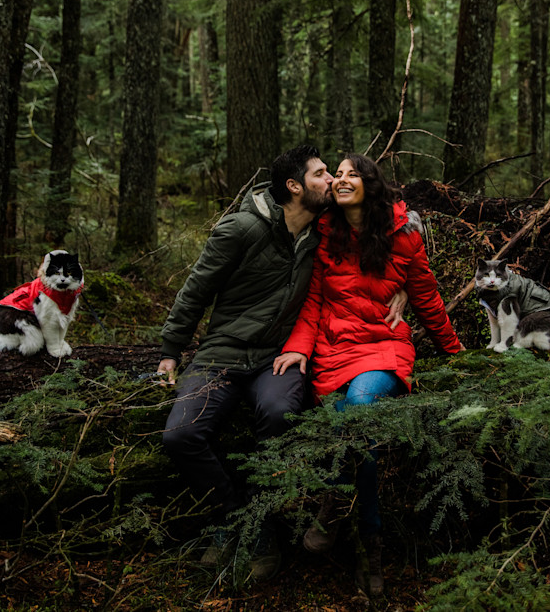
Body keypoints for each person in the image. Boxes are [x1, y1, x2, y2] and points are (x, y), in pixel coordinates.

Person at [157, 144, 404, 582]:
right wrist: (170, 351)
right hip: (222, 354)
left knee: (279, 414)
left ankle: (260, 532)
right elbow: (196, 289)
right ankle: (232, 519)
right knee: (181, 436)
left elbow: (394, 214)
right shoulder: (241, 229)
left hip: (278, 357)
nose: (333, 180)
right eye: (322, 174)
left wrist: (399, 288)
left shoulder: (324, 229)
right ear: (294, 187)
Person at [274, 152, 464, 595]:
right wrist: (298, 350)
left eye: (351, 174)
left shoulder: (403, 237)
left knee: (358, 406)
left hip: (384, 349)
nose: (340, 180)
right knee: (348, 421)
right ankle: (365, 542)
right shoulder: (325, 234)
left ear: (370, 184)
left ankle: (344, 516)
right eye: (336, 175)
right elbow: (314, 303)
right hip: (333, 351)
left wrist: (455, 354)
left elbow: (429, 300)